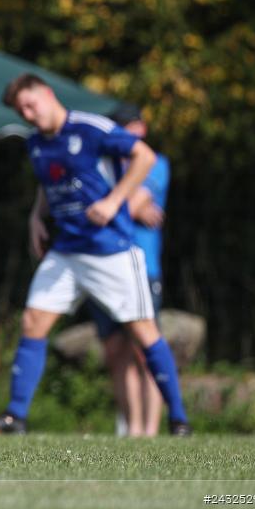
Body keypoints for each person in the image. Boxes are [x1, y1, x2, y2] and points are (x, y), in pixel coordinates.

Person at [0, 73, 190, 436]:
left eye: (30, 104)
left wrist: (114, 200)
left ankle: (179, 419)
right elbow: (48, 183)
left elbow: (144, 156)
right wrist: (35, 218)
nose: (27, 113)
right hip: (67, 250)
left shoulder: (91, 128)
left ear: (47, 93)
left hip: (110, 250)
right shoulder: (37, 144)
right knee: (33, 321)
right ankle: (15, 418)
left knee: (143, 332)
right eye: (21, 110)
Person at [87, 103, 170, 436]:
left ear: (142, 129)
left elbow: (114, 210)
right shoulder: (104, 166)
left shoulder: (156, 164)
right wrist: (130, 204)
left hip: (143, 267)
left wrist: (113, 204)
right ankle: (131, 428)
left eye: (129, 128)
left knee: (143, 349)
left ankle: (150, 431)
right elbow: (119, 208)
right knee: (114, 351)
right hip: (103, 266)